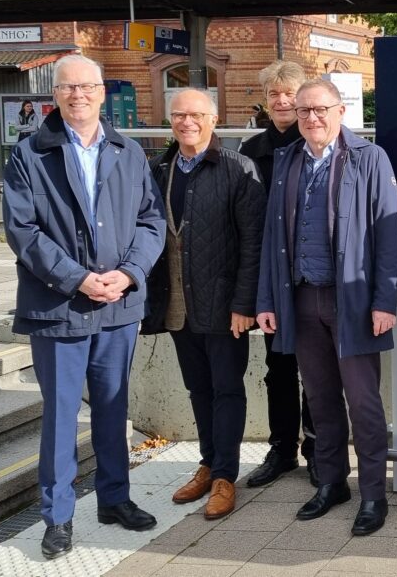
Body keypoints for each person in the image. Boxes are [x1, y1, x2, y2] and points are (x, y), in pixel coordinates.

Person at [1, 54, 165, 560]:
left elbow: (151, 220)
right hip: (59, 307)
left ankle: (114, 499)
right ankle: (58, 516)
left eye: (87, 87)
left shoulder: (128, 151)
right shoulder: (30, 154)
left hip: (117, 305)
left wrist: (130, 273)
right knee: (61, 416)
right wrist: (79, 279)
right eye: (68, 88)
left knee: (114, 408)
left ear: (101, 92)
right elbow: (22, 231)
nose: (78, 96)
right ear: (56, 94)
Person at [255, 79, 397, 534]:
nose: (311, 119)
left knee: (363, 402)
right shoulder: (287, 160)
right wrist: (266, 300)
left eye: (320, 109)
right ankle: (332, 482)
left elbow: (387, 236)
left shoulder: (368, 158)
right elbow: (271, 240)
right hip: (300, 299)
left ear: (341, 111)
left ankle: (373, 494)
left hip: (352, 301)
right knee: (319, 399)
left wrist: (384, 300)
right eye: (303, 112)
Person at [142, 89, 266, 520]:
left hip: (225, 305)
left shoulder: (237, 168)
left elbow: (254, 243)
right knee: (199, 390)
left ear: (214, 119)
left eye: (196, 114)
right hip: (176, 305)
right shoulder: (159, 168)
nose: (186, 122)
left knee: (228, 389)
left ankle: (226, 477)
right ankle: (207, 463)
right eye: (178, 115)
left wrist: (245, 301)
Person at [239, 61, 318, 488]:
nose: (282, 101)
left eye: (290, 93)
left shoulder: (320, 147)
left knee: (319, 367)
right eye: (274, 94)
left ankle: (317, 448)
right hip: (272, 278)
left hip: (314, 278)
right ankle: (282, 449)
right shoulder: (251, 153)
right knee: (279, 366)